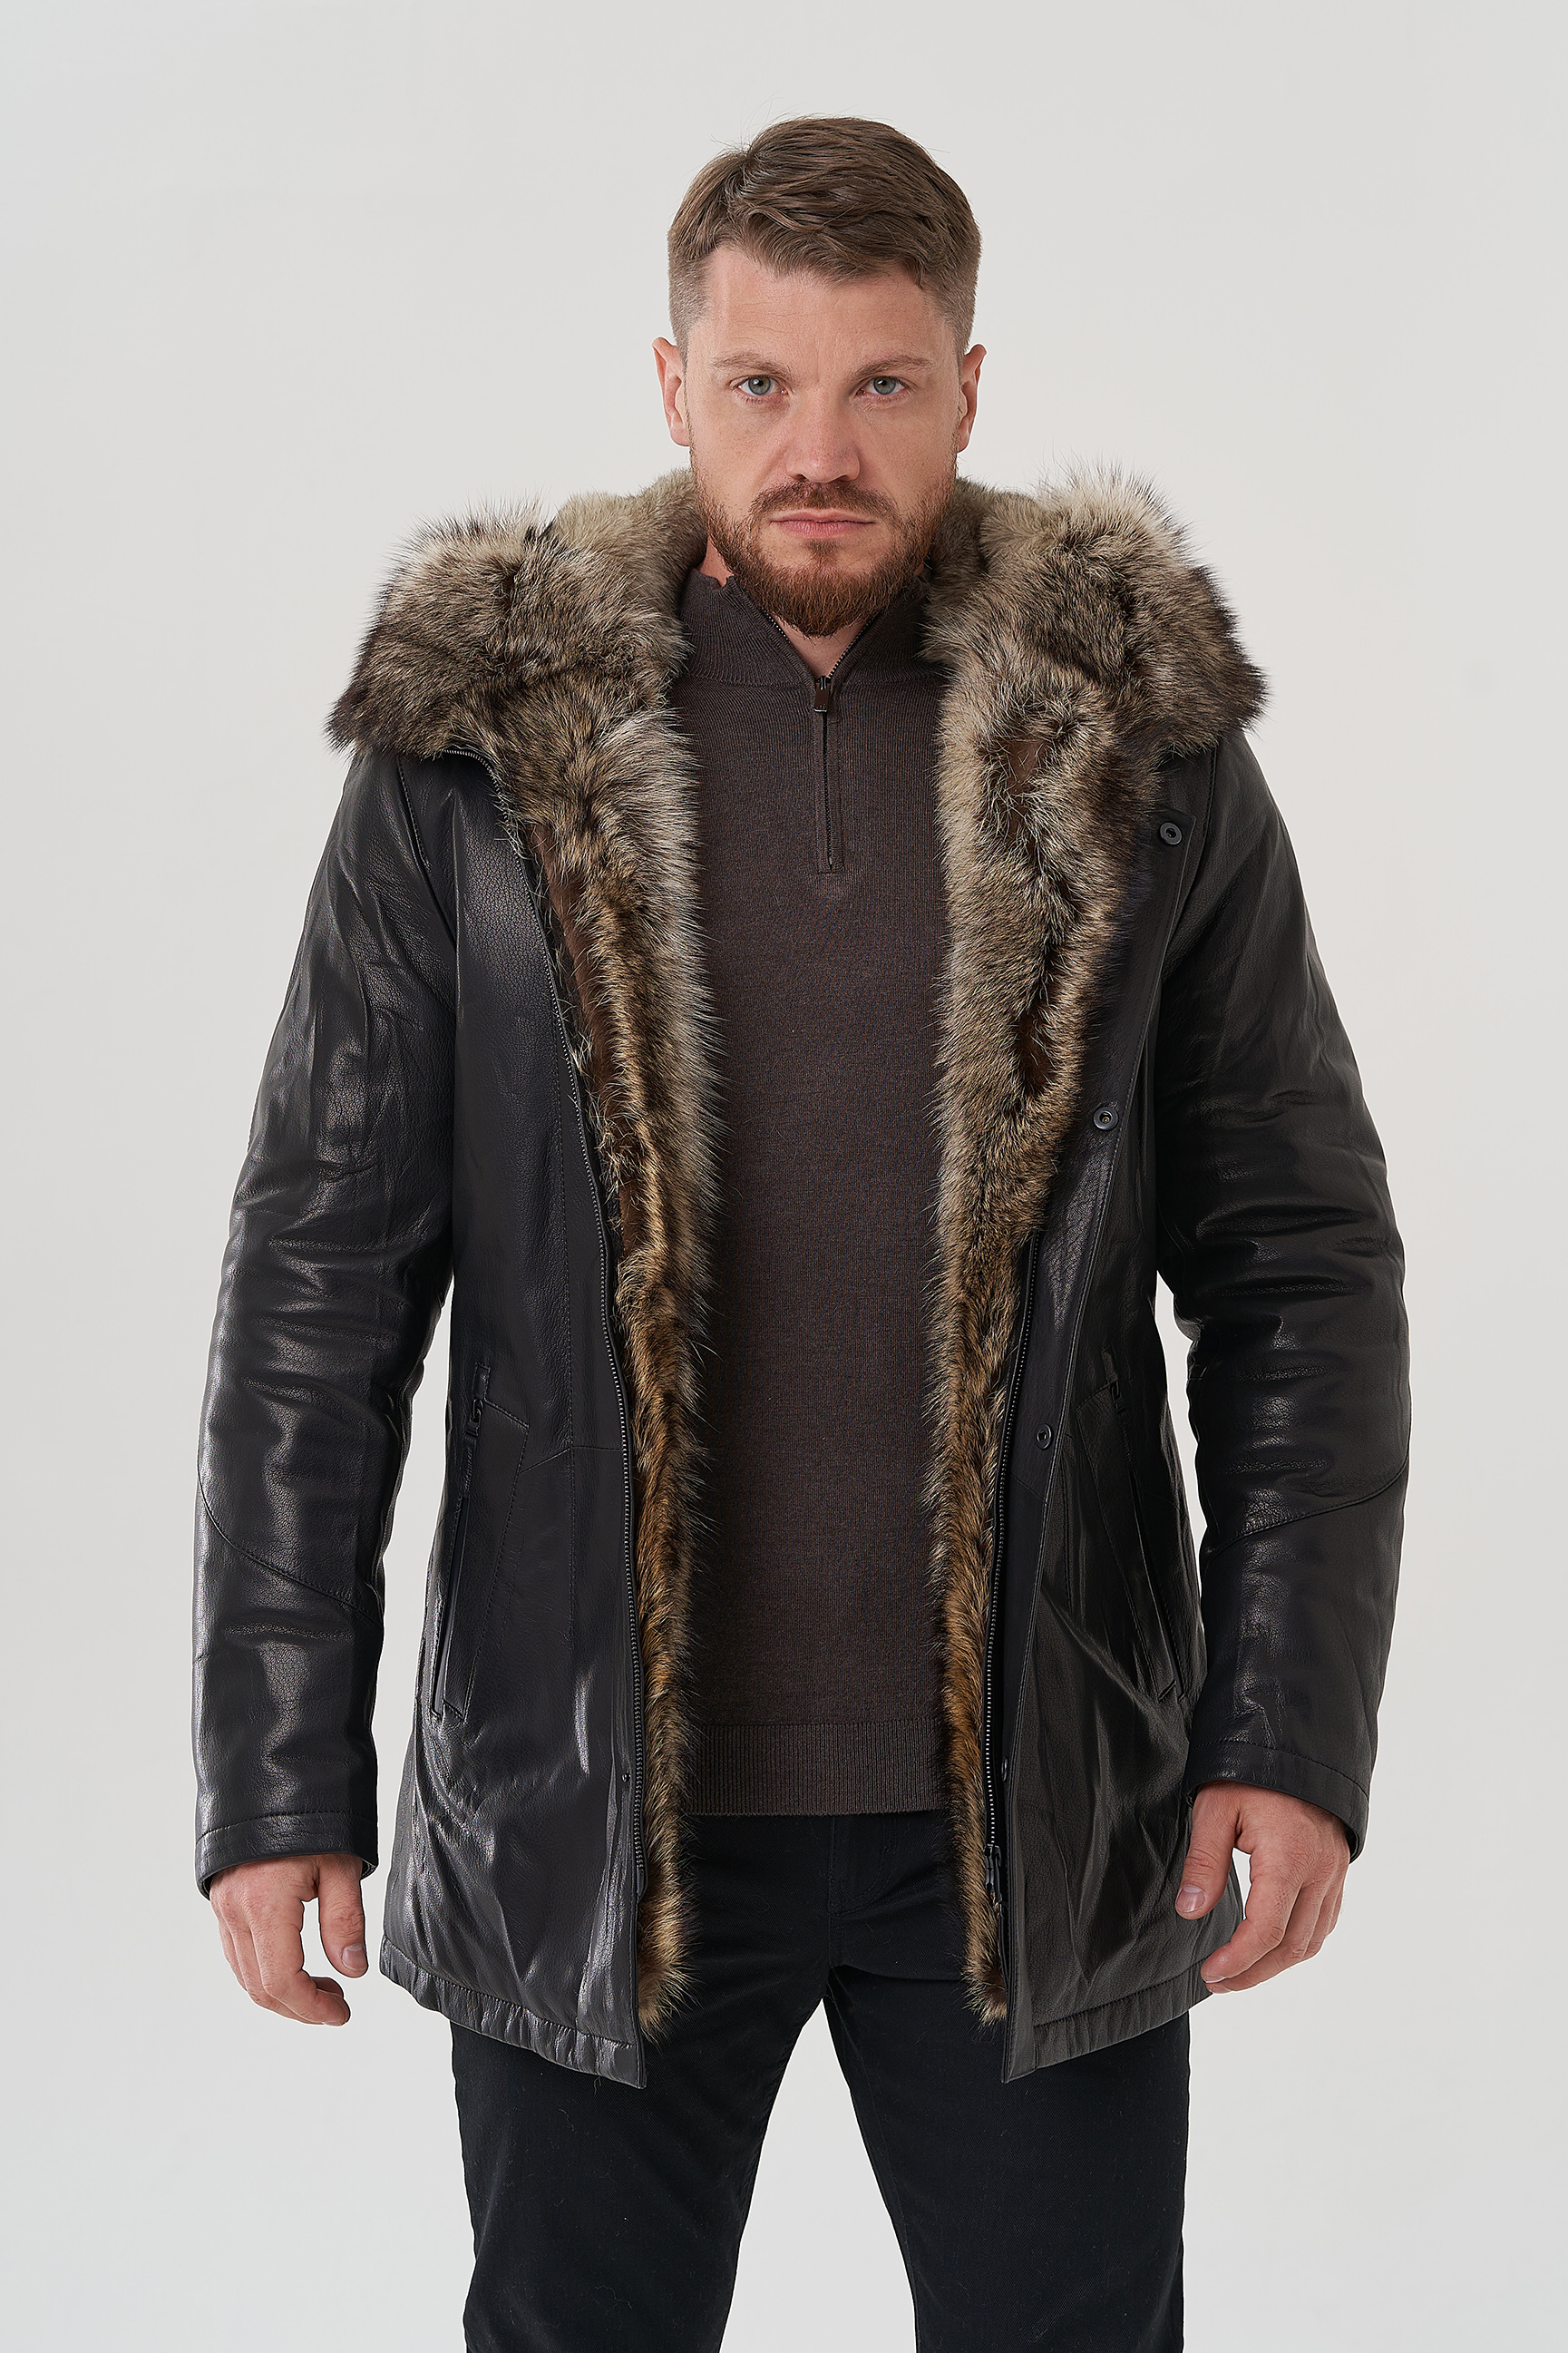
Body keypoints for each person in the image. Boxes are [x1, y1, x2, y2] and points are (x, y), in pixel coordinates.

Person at [193, 114, 1410, 2352]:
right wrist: (277, 1775)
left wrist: (1286, 1725)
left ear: (967, 387)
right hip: (594, 1808)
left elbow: (1301, 1269)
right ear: (673, 385)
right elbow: (315, 1285)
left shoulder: (1139, 751)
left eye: (880, 385)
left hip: (1042, 1810)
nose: (818, 449)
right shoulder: (477, 756)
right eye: (760, 383)